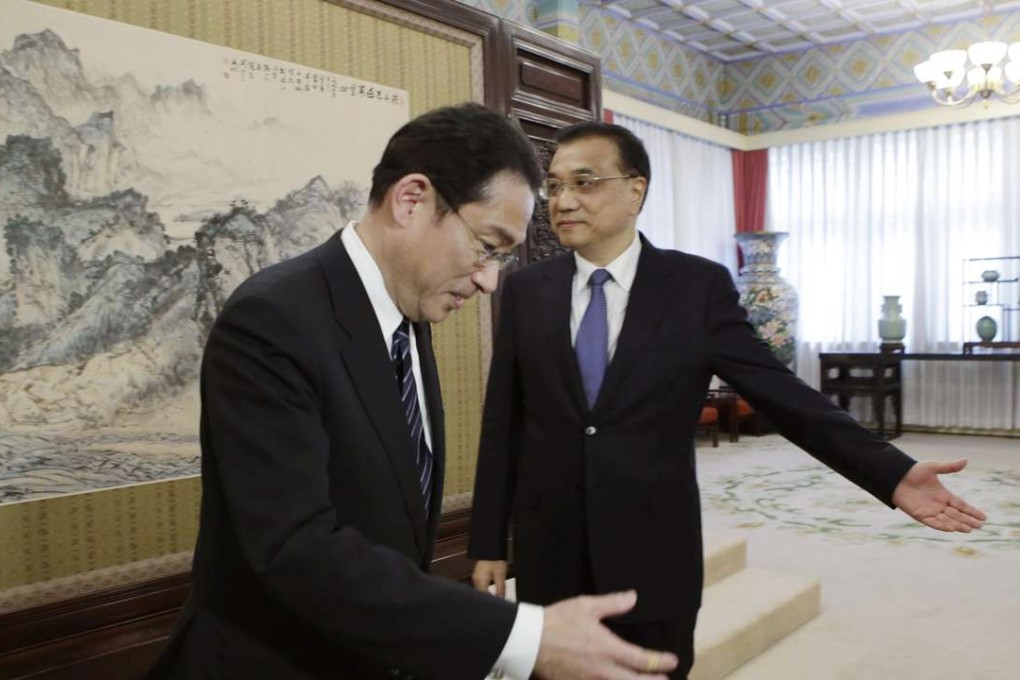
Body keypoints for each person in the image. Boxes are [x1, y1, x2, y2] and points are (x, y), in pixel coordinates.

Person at [148, 105, 680, 680]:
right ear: (412, 200)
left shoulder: (406, 319)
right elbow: (296, 549)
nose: (490, 279)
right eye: (487, 245)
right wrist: (525, 637)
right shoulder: (272, 320)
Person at [467, 121, 988, 679]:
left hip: (652, 550)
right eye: (555, 185)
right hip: (552, 549)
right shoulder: (526, 290)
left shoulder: (696, 288)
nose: (564, 201)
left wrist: (891, 473)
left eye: (585, 183)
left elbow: (783, 395)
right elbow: (504, 422)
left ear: (636, 190)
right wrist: (488, 542)